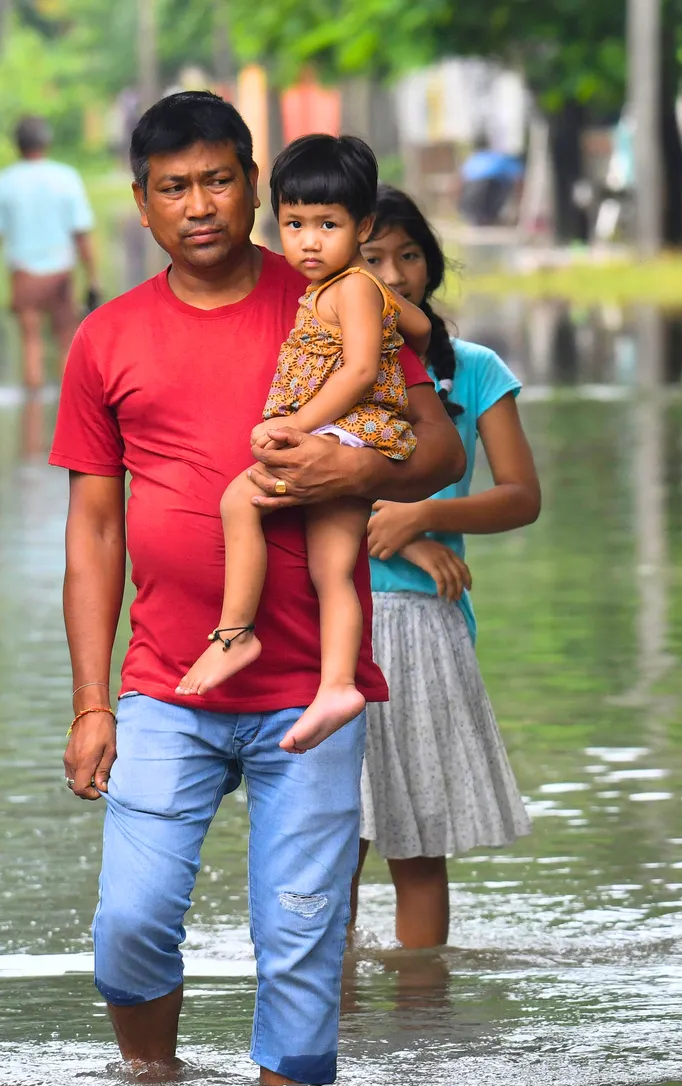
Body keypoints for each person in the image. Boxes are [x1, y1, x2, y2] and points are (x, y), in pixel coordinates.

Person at [52, 92, 465, 1086]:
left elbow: (439, 448)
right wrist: (89, 701)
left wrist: (348, 472)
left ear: (253, 183)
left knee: (300, 945)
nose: (198, 205)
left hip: (308, 689)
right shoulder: (104, 340)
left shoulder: (329, 291)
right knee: (129, 924)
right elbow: (94, 529)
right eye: (172, 188)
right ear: (141, 205)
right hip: (165, 684)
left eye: (217, 180)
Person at [175, 134, 431, 757]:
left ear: (362, 225)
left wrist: (299, 425)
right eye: (293, 224)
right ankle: (338, 684)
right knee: (332, 571)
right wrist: (388, 300)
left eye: (328, 224)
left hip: (343, 431)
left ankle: (236, 634)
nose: (309, 241)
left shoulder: (350, 288)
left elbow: (361, 372)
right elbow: (422, 326)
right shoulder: (349, 288)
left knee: (239, 501)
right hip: (348, 431)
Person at [353, 184, 539, 949]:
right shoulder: (325, 366)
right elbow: (283, 484)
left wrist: (425, 515)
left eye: (409, 256)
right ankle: (324, 1027)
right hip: (335, 617)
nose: (394, 275)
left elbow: (520, 496)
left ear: (431, 266)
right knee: (329, 845)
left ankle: (424, 1031)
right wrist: (388, 530)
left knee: (419, 848)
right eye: (374, 260)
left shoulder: (474, 369)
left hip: (428, 629)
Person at [0, 115, 99, 390]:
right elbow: (81, 235)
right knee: (67, 344)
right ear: (47, 142)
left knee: (31, 344)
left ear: (16, 146)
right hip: (61, 273)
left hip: (24, 274)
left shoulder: (3, 182)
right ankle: (70, 417)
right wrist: (93, 277)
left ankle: (31, 422)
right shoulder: (66, 178)